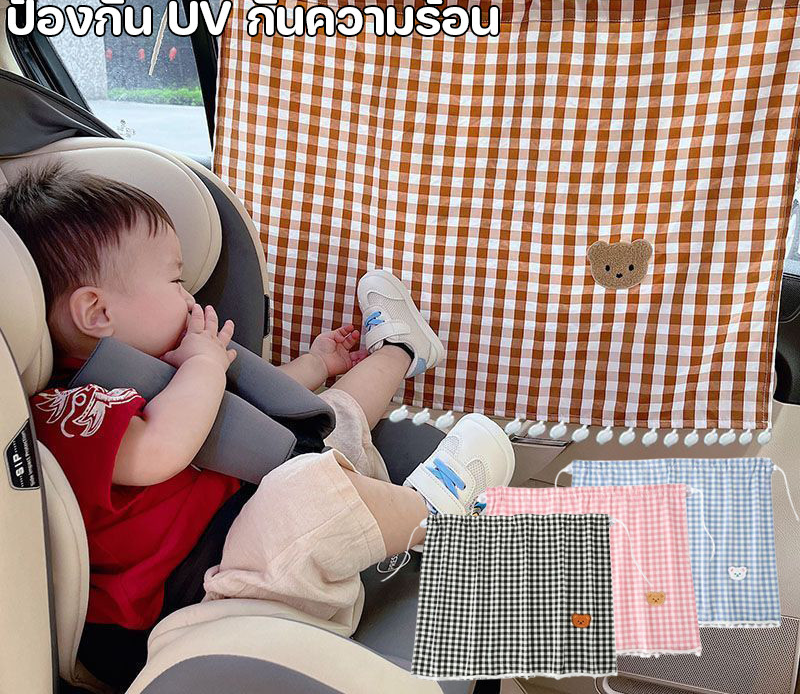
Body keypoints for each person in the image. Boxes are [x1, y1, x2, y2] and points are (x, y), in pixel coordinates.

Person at [0, 163, 514, 686]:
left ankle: (400, 348)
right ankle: (433, 513)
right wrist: (204, 365)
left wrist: (316, 365)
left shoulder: (154, 367)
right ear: (96, 312)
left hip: (255, 530)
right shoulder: (65, 411)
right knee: (307, 489)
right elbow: (160, 447)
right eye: (176, 281)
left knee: (334, 418)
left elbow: (251, 413)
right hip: (207, 599)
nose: (191, 299)